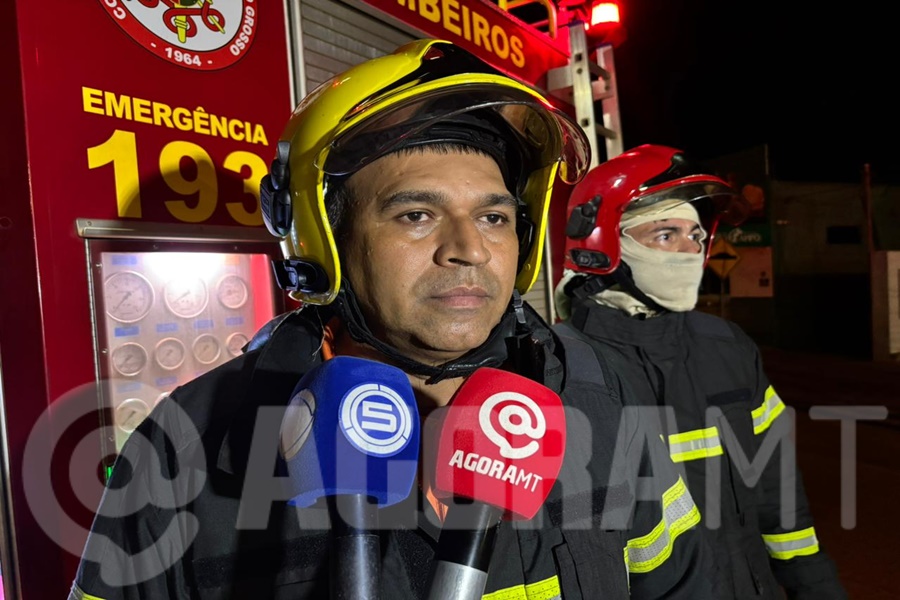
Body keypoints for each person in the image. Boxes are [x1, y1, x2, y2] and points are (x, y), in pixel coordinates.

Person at [69, 42, 713, 599]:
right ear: (325, 239)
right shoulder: (188, 441)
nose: (469, 248)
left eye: (493, 217)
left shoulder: (600, 386)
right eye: (416, 215)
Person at [554, 144, 848, 600]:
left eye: (696, 236)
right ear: (603, 242)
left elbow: (778, 494)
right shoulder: (566, 368)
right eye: (667, 234)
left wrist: (819, 589)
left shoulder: (726, 347)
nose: (690, 250)